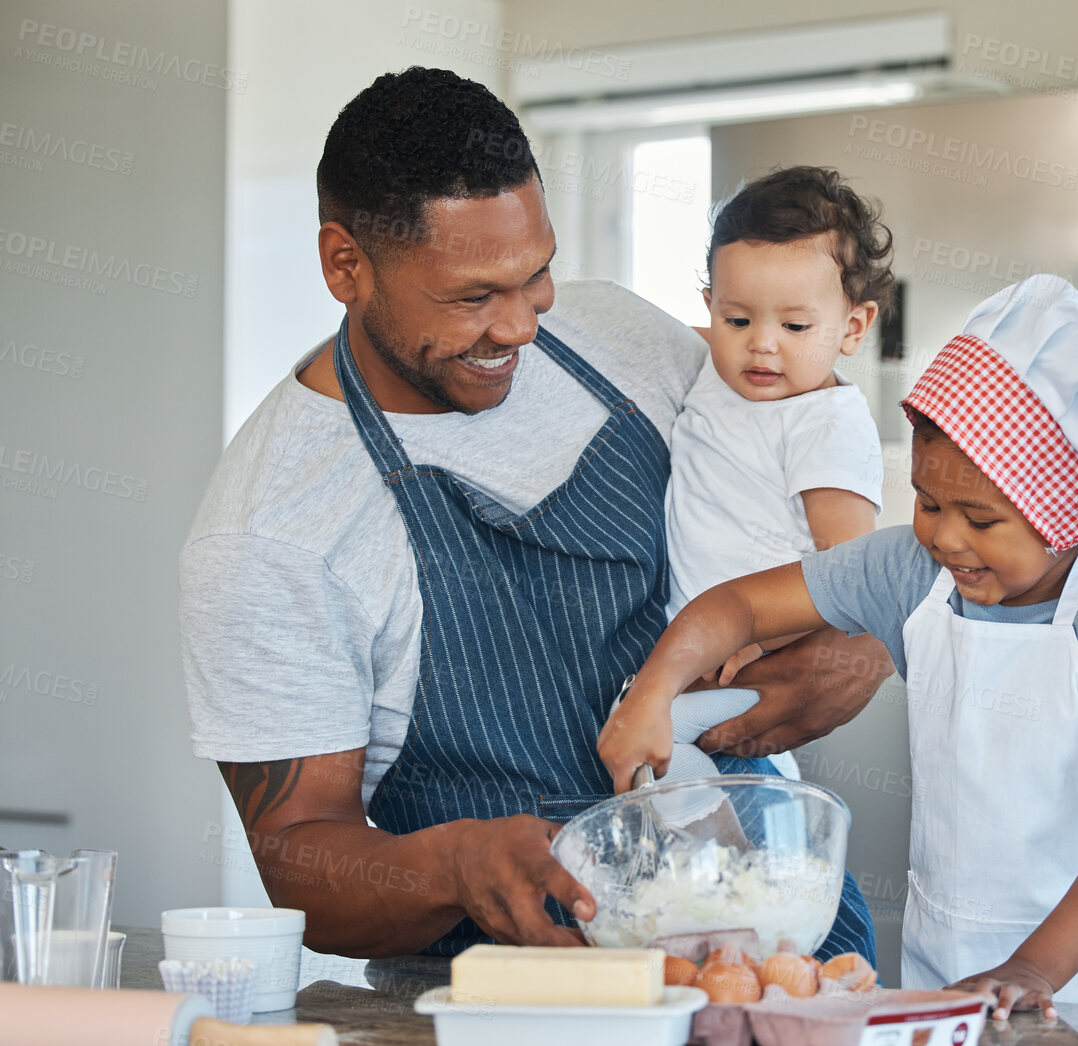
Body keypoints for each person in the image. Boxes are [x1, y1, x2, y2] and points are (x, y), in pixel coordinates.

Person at [177, 67, 887, 960]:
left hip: (770, 926)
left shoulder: (618, 338)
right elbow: (296, 859)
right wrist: (451, 866)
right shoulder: (271, 532)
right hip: (514, 999)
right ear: (344, 265)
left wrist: (865, 641)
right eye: (474, 297)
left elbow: (806, 442)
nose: (519, 327)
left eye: (537, 276)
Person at [602, 274, 1078, 1017]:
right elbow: (733, 607)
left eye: (981, 520)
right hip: (946, 961)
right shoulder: (909, 571)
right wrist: (652, 695)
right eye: (927, 503)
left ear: (1062, 512)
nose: (946, 537)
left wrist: (1033, 970)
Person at [655, 167, 888, 782]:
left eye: (794, 326)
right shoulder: (721, 366)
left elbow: (856, 573)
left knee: (656, 745)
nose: (761, 344)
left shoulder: (824, 425)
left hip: (749, 661)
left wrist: (773, 642)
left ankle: (731, 865)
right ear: (711, 310)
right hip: (686, 651)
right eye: (738, 321)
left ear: (852, 328)